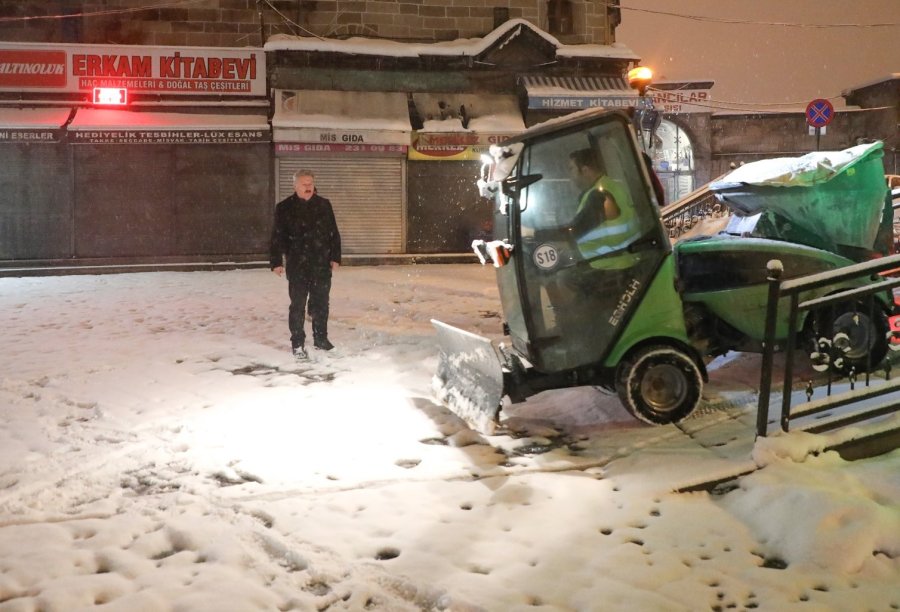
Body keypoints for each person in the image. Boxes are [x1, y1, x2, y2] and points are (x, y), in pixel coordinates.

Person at [270, 169, 341, 359]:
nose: (308, 187)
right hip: (297, 265)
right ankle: (298, 343)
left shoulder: (324, 205)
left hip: (321, 263)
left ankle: (321, 339)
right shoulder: (284, 207)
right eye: (304, 184)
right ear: (295, 186)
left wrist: (335, 257)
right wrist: (276, 261)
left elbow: (333, 232)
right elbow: (277, 236)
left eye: (310, 183)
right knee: (298, 305)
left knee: (321, 304)